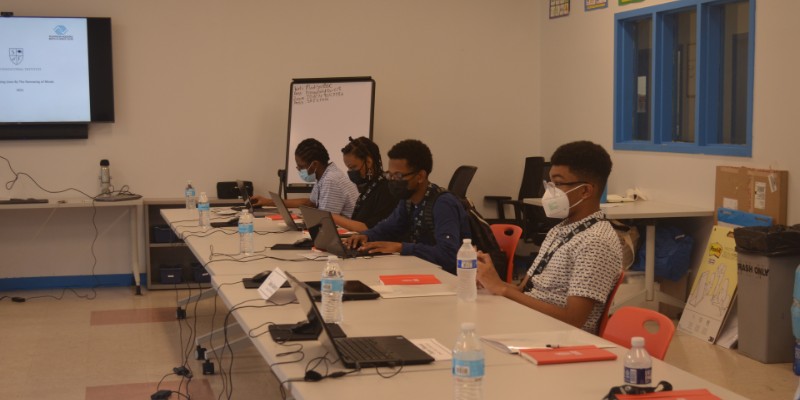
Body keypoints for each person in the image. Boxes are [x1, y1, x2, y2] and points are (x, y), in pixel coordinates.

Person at [475, 141, 622, 333]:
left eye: (558, 184)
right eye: (550, 184)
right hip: (529, 322)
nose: (550, 192)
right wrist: (490, 280)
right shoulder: (561, 228)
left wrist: (501, 289)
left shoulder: (596, 242)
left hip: (557, 337)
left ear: (586, 190)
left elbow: (574, 320)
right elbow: (524, 291)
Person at [344, 139, 471, 273]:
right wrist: (366, 236)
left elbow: (449, 255)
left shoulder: (443, 204)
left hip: (451, 280)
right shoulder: (408, 200)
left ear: (420, 176)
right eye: (390, 175)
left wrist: (401, 248)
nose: (392, 180)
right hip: (423, 271)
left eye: (398, 175)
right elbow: (388, 227)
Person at [251, 138, 359, 217]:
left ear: (315, 164)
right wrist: (267, 201)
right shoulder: (324, 175)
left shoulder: (331, 179)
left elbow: (326, 221)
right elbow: (310, 203)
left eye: (301, 166)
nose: (299, 169)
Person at [331, 137, 396, 232]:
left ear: (369, 162)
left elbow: (369, 228)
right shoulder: (369, 186)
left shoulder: (387, 189)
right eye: (348, 169)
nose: (350, 172)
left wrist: (332, 217)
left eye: (353, 167)